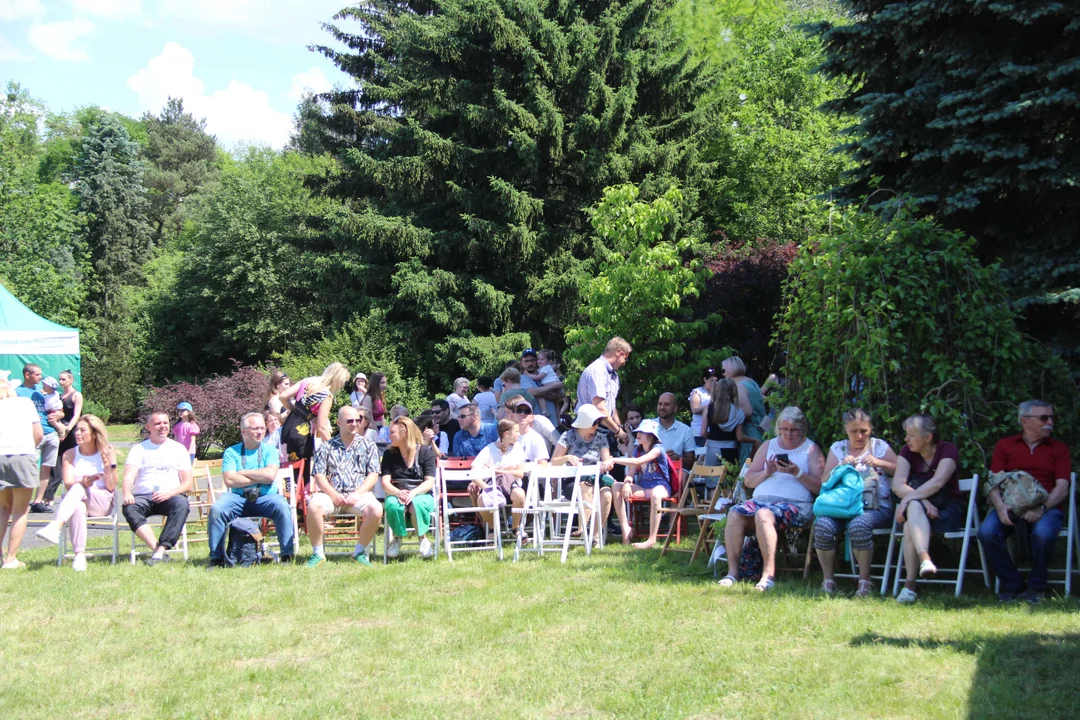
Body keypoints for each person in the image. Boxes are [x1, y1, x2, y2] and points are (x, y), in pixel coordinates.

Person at [718, 406, 825, 592]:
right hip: (761, 500)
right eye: (784, 430)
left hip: (796, 505)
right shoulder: (769, 446)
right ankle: (732, 574)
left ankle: (768, 575)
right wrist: (766, 473)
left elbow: (821, 487)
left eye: (794, 430)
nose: (789, 435)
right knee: (735, 513)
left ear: (802, 429)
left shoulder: (810, 449)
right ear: (778, 428)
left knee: (763, 514)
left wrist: (797, 472)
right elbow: (749, 480)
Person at [977, 400, 1072, 603]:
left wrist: (1042, 508)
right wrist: (1000, 507)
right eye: (1043, 418)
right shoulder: (1005, 445)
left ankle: (1036, 587)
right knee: (986, 532)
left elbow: (1062, 487)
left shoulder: (1058, 448)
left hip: (1047, 506)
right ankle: (1012, 584)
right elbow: (993, 483)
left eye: (1051, 418)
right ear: (1024, 421)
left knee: (1044, 533)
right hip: (1010, 505)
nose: (1050, 423)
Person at [813, 408, 898, 596]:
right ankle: (828, 581)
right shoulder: (838, 449)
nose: (859, 436)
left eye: (864, 431)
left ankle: (864, 582)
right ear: (846, 430)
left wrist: (879, 462)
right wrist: (840, 465)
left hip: (875, 508)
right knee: (822, 525)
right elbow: (824, 479)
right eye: (854, 431)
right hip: (842, 508)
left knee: (859, 525)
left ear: (870, 429)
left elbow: (901, 469)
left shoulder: (879, 447)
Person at [891, 413, 964, 604]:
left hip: (946, 511)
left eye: (911, 435)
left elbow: (938, 482)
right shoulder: (907, 451)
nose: (906, 439)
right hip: (922, 511)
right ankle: (925, 559)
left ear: (928, 437)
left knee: (910, 519)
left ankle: (909, 587)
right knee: (913, 512)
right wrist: (922, 502)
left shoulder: (947, 450)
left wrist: (908, 500)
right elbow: (897, 484)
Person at [206, 412, 293, 568]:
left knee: (282, 507)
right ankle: (216, 558)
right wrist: (259, 476)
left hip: (266, 496)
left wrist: (243, 473)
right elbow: (230, 480)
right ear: (243, 431)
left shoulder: (270, 450)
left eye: (262, 428)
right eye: (255, 428)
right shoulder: (231, 452)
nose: (260, 432)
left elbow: (270, 476)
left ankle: (287, 555)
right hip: (238, 498)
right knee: (217, 509)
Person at [34, 415, 118, 571]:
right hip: (79, 500)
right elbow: (67, 483)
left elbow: (112, 486)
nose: (77, 433)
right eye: (76, 430)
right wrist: (84, 481)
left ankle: (56, 525)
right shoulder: (70, 454)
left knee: (78, 489)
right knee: (78, 503)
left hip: (102, 501)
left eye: (82, 430)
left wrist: (112, 464)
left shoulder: (105, 452)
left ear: (94, 433)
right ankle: (79, 555)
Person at [306, 406, 384, 567]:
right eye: (350, 421)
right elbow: (319, 475)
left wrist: (358, 493)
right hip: (332, 496)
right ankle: (318, 554)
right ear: (339, 423)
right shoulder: (326, 446)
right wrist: (333, 494)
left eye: (358, 420)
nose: (355, 424)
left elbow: (373, 474)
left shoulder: (369, 446)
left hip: (359, 495)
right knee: (314, 505)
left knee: (376, 509)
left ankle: (358, 552)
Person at [122, 411, 193, 565]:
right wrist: (127, 492)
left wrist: (169, 493)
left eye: (165, 423)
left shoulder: (179, 449)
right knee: (130, 508)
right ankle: (157, 550)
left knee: (182, 505)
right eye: (157, 423)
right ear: (148, 427)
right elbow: (128, 476)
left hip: (171, 495)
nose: (162, 427)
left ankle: (161, 551)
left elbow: (188, 484)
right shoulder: (139, 449)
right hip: (144, 496)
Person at [551, 404, 616, 541]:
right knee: (585, 487)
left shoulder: (601, 438)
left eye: (598, 423)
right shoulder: (567, 436)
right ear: (585, 423)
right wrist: (567, 457)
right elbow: (554, 461)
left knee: (607, 494)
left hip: (595, 479)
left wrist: (607, 464)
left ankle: (596, 536)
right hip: (572, 481)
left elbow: (607, 460)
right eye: (594, 423)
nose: (597, 426)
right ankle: (582, 529)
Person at [0, 377, 43, 569]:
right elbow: (39, 433)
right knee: (20, 510)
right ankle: (11, 559)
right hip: (22, 455)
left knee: (2, 508)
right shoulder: (25, 403)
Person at [381, 416, 438, 559]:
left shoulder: (425, 452)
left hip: (421, 493)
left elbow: (429, 481)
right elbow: (385, 482)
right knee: (393, 505)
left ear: (404, 433)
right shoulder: (389, 454)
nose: (389, 436)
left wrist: (413, 493)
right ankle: (397, 538)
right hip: (397, 492)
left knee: (416, 505)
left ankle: (422, 539)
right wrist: (398, 492)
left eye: (392, 432)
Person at [611, 419, 672, 548]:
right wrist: (627, 482)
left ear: (650, 435)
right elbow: (631, 471)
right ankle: (625, 529)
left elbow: (638, 462)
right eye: (638, 432)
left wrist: (613, 460)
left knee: (656, 495)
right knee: (617, 486)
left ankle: (651, 539)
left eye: (642, 432)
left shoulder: (658, 449)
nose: (638, 434)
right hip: (644, 488)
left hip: (661, 486)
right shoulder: (637, 450)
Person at [279, 362, 350, 463]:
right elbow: (322, 428)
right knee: (302, 474)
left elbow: (283, 397)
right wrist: (333, 450)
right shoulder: (326, 396)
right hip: (302, 435)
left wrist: (295, 410)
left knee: (287, 472)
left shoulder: (307, 381)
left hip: (287, 428)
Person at [471, 418, 528, 536]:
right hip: (493, 486)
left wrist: (500, 471)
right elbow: (474, 474)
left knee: (520, 494)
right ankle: (493, 528)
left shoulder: (517, 448)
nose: (519, 434)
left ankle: (515, 528)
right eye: (516, 431)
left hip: (511, 486)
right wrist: (488, 488)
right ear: (507, 433)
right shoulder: (489, 450)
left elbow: (520, 473)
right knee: (481, 499)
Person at [18, 364, 61, 514]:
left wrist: (60, 415)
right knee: (29, 468)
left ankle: (38, 501)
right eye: (37, 375)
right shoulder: (18, 392)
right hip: (31, 435)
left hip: (50, 433)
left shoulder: (45, 391)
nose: (40, 377)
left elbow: (57, 408)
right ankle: (22, 502)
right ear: (27, 375)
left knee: (47, 468)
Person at [576, 337, 632, 449]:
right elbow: (599, 408)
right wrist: (618, 432)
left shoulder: (613, 375)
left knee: (616, 465)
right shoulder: (598, 371)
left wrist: (618, 427)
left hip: (607, 428)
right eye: (625, 358)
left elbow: (611, 406)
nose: (624, 363)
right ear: (620, 353)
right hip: (590, 429)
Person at [701, 378, 760, 466]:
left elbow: (703, 433)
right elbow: (740, 437)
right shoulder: (738, 412)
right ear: (734, 392)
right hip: (731, 449)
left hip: (712, 449)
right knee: (729, 477)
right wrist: (754, 440)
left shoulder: (709, 408)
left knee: (711, 477)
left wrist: (712, 438)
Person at [722, 356, 767, 462]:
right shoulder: (751, 381)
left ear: (730, 369)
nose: (722, 373)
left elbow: (747, 412)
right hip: (761, 427)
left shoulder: (739, 386)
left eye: (724, 370)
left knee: (748, 465)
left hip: (750, 431)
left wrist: (729, 422)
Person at [653, 393, 697, 474]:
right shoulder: (648, 426)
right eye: (660, 404)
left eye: (666, 404)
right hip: (652, 468)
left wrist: (678, 459)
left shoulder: (685, 430)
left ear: (675, 408)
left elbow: (691, 461)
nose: (662, 407)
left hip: (675, 469)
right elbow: (638, 454)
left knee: (682, 475)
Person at [521, 349, 562, 424]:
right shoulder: (522, 378)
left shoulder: (545, 374)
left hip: (553, 423)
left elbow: (562, 394)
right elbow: (532, 392)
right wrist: (553, 386)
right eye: (526, 361)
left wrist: (557, 395)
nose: (530, 363)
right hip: (536, 424)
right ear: (522, 363)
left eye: (533, 360)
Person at [506, 398, 552, 464]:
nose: (522, 414)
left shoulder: (536, 438)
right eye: (519, 411)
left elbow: (543, 464)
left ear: (532, 418)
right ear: (513, 415)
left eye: (527, 411)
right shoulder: (506, 436)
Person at [689, 366, 720, 454]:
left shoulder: (719, 393)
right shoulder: (697, 392)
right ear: (705, 379)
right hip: (698, 431)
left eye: (716, 381)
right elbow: (695, 410)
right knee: (700, 455)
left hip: (713, 431)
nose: (714, 383)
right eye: (712, 381)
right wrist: (712, 406)